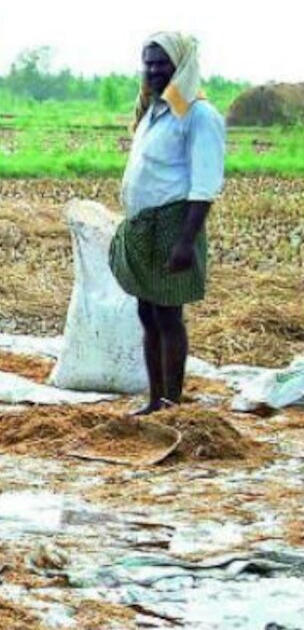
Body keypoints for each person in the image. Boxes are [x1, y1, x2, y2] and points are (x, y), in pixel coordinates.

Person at [109, 32, 224, 414]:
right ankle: (154, 398)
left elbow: (204, 184)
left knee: (168, 314)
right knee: (147, 312)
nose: (154, 70)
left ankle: (171, 404)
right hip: (145, 226)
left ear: (181, 66)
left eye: (162, 63)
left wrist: (186, 241)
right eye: (149, 63)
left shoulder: (199, 115)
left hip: (174, 226)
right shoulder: (156, 110)